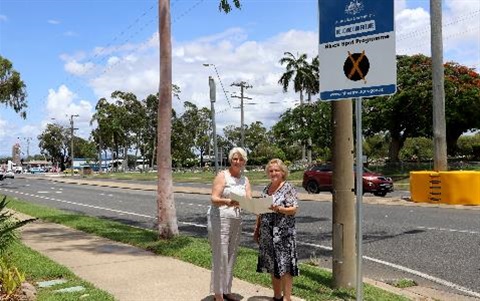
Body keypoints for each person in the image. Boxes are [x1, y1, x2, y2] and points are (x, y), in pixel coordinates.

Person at [208, 147, 252, 301]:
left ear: (244, 161)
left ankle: (227, 289)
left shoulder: (245, 180)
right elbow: (214, 198)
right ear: (230, 160)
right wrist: (228, 201)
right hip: (220, 218)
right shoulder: (222, 176)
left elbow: (248, 201)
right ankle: (218, 293)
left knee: (232, 254)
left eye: (241, 159)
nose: (237, 162)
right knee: (221, 254)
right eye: (235, 158)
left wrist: (258, 206)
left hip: (237, 219)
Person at [254, 158, 299, 301]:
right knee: (273, 264)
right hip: (267, 232)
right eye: (271, 170)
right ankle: (277, 296)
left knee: (285, 265)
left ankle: (287, 298)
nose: (273, 173)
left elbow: (293, 209)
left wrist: (279, 209)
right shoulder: (266, 189)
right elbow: (260, 211)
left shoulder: (288, 187)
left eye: (276, 170)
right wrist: (257, 229)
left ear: (282, 172)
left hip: (283, 233)